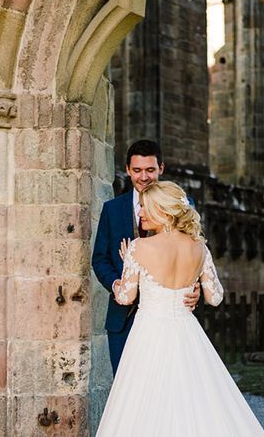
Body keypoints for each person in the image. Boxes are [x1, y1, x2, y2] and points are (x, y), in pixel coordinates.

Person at [95, 181, 264, 436]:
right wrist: (193, 286)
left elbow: (125, 298)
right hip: (187, 333)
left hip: (148, 336)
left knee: (145, 402)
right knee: (193, 399)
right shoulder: (199, 247)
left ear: (163, 212)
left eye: (144, 207)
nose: (140, 212)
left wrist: (124, 272)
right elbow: (216, 297)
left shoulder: (138, 248)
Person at [91, 140, 199, 375]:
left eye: (150, 170)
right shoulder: (112, 209)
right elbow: (99, 259)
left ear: (161, 168)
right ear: (128, 170)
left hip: (167, 321)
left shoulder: (183, 206)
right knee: (127, 391)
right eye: (137, 170)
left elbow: (196, 251)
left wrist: (196, 285)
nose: (143, 177)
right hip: (123, 319)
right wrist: (116, 283)